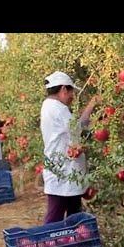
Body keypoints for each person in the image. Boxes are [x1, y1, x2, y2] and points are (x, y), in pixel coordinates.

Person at [40, 71, 100, 224]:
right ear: (64, 90)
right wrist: (92, 106)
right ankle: (48, 246)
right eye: (71, 91)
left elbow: (73, 128)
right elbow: (78, 128)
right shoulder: (57, 108)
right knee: (55, 218)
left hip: (66, 172)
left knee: (73, 214)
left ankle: (70, 245)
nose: (72, 96)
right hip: (63, 172)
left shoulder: (51, 106)